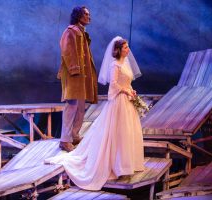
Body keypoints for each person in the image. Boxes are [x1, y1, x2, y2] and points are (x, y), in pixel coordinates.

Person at [45, 36, 144, 190]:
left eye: (127, 47)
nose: (128, 50)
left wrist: (131, 89)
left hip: (127, 101)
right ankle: (118, 166)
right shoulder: (115, 65)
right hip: (119, 102)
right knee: (118, 132)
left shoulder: (125, 64)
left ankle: (127, 164)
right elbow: (114, 84)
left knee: (127, 132)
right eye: (125, 48)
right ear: (118, 50)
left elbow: (127, 81)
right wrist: (124, 90)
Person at [58, 6, 98, 152]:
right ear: (78, 16)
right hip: (74, 74)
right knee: (71, 106)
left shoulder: (82, 32)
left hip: (82, 75)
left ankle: (75, 135)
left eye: (89, 14)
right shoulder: (71, 31)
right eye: (86, 14)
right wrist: (75, 69)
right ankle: (65, 139)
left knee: (80, 107)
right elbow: (67, 51)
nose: (89, 17)